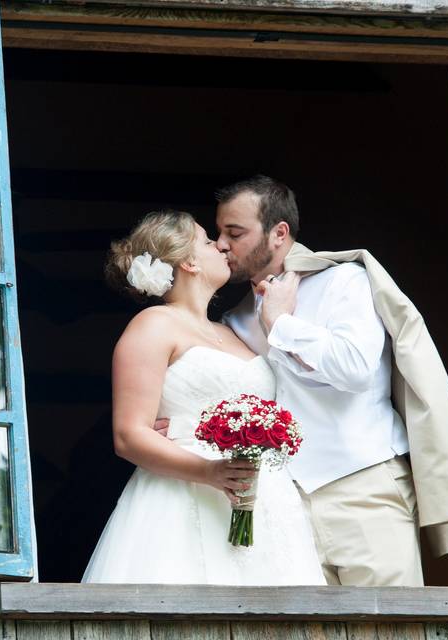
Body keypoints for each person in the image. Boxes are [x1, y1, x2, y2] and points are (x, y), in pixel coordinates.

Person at [209, 175, 448, 587]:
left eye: (235, 232)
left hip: (365, 488)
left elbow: (354, 369)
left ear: (279, 233)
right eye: (219, 233)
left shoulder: (345, 281)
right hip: (285, 504)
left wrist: (281, 324)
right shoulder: (236, 321)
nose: (223, 244)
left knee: (392, 629)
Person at [81, 209, 326, 585]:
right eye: (208, 241)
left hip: (265, 499)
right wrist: (211, 472)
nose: (221, 246)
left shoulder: (233, 331)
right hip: (183, 495)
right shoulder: (153, 325)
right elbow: (129, 434)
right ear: (189, 261)